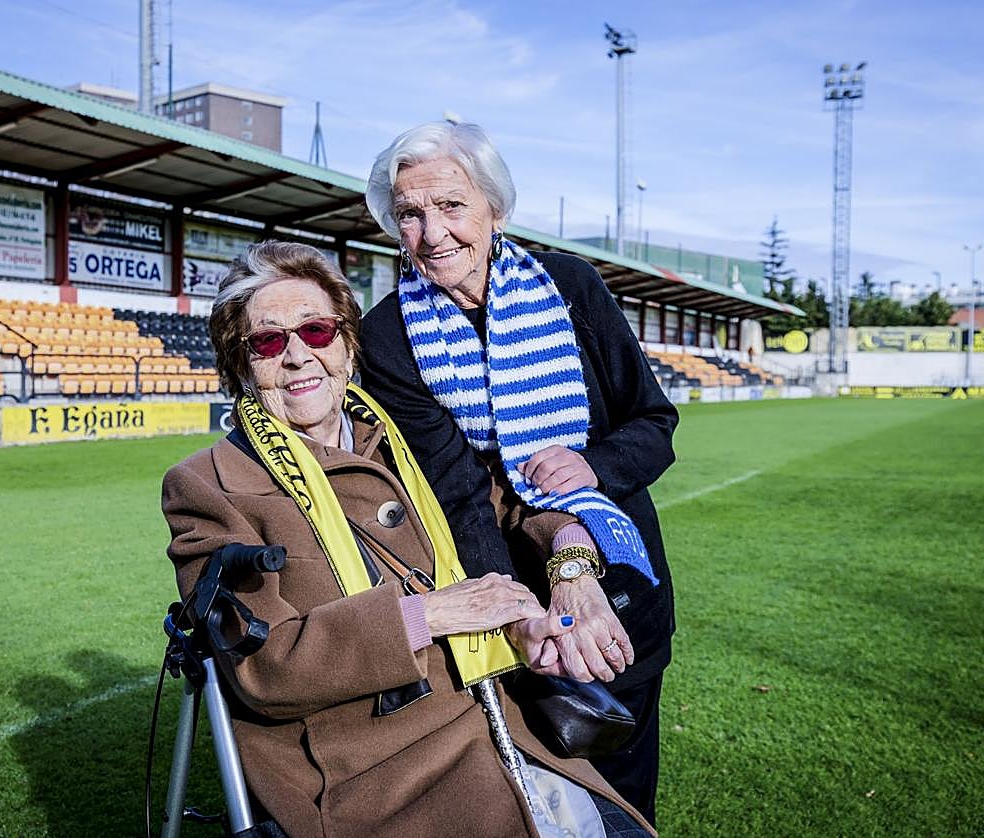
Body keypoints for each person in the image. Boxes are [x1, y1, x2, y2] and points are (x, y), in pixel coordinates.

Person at [162, 241, 654, 838]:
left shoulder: (403, 434)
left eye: (316, 331)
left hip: (502, 719)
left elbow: (505, 506)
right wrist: (433, 613)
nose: (296, 357)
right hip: (371, 774)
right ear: (240, 364)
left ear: (346, 343)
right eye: (267, 341)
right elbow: (266, 669)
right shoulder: (206, 484)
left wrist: (563, 570)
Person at [359, 121, 679, 825]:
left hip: (626, 583)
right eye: (409, 214)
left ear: (493, 209)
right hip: (514, 598)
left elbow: (655, 426)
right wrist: (521, 612)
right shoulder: (386, 336)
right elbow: (460, 492)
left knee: (627, 791)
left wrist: (591, 464)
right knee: (539, 796)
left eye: (450, 205)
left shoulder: (572, 286)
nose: (433, 232)